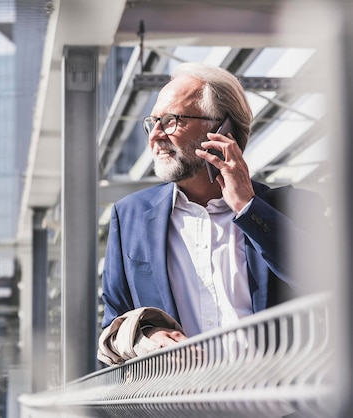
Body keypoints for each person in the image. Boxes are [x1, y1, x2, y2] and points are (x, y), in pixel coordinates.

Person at [97, 62, 325, 365]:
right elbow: (113, 323)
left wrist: (248, 206)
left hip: (276, 408)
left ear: (221, 130)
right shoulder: (130, 218)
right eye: (152, 122)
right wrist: (148, 338)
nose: (155, 136)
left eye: (170, 121)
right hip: (179, 407)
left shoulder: (293, 209)